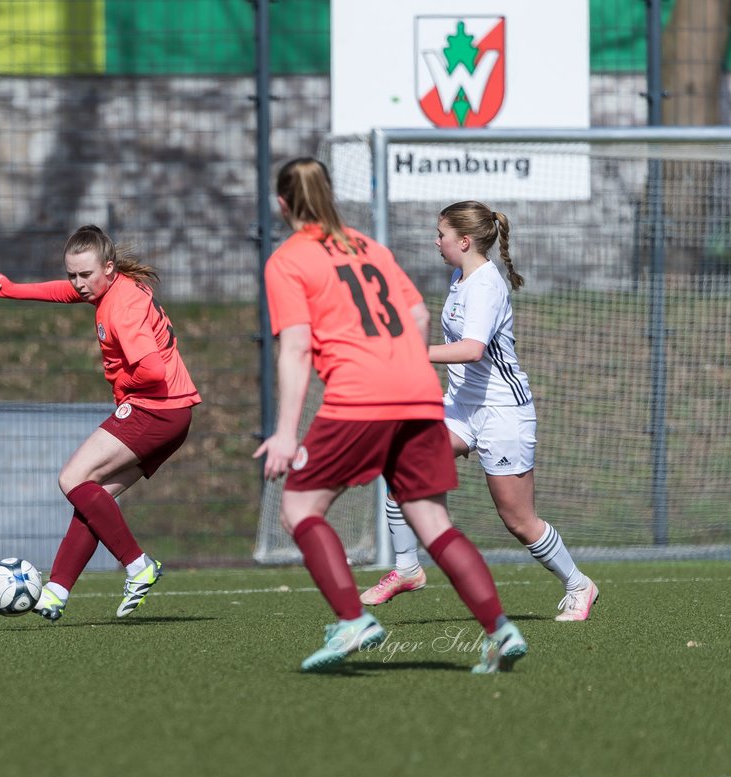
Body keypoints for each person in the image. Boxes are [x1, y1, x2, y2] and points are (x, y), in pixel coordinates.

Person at [255, 157, 527, 674]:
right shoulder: (368, 246)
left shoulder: (287, 259)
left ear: (283, 204)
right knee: (432, 520)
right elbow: (419, 313)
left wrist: (286, 434)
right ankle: (498, 627)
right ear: (330, 194)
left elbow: (294, 348)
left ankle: (352, 619)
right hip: (419, 391)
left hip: (361, 396)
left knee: (300, 509)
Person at [360, 201, 599, 621]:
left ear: (464, 241)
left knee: (519, 522)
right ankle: (407, 568)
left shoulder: (486, 285)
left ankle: (579, 584)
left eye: (442, 235)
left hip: (502, 412)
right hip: (461, 407)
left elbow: (472, 350)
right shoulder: (459, 277)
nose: (437, 242)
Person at [0, 225, 201, 622]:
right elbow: (61, 292)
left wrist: (121, 382)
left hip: (155, 407)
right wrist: (12, 288)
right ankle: (57, 591)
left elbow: (151, 372)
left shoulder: (120, 308)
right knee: (92, 494)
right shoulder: (113, 287)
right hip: (173, 414)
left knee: (72, 478)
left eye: (86, 275)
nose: (78, 284)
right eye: (73, 274)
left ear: (110, 269)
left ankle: (138, 565)